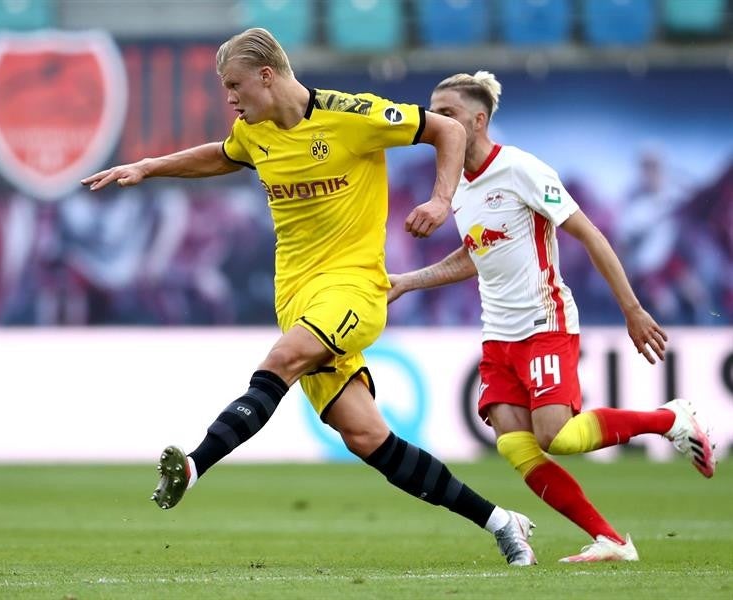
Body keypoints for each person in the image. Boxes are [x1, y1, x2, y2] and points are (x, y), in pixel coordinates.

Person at [83, 28, 536, 566]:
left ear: (267, 76)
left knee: (282, 359)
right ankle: (502, 523)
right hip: (296, 298)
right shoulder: (254, 134)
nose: (229, 98)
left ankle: (194, 464)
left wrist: (441, 201)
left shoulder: (352, 116)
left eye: (234, 85)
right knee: (367, 438)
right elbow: (223, 155)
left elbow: (445, 131)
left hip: (354, 289)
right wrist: (149, 167)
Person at [387, 71, 717, 563]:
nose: (436, 121)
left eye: (447, 113)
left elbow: (590, 235)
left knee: (556, 436)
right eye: (433, 112)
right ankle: (611, 540)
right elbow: (475, 253)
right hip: (497, 334)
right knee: (515, 446)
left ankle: (669, 418)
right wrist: (409, 280)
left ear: (478, 121)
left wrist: (632, 308)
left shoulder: (522, 169)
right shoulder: (453, 185)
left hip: (545, 321)